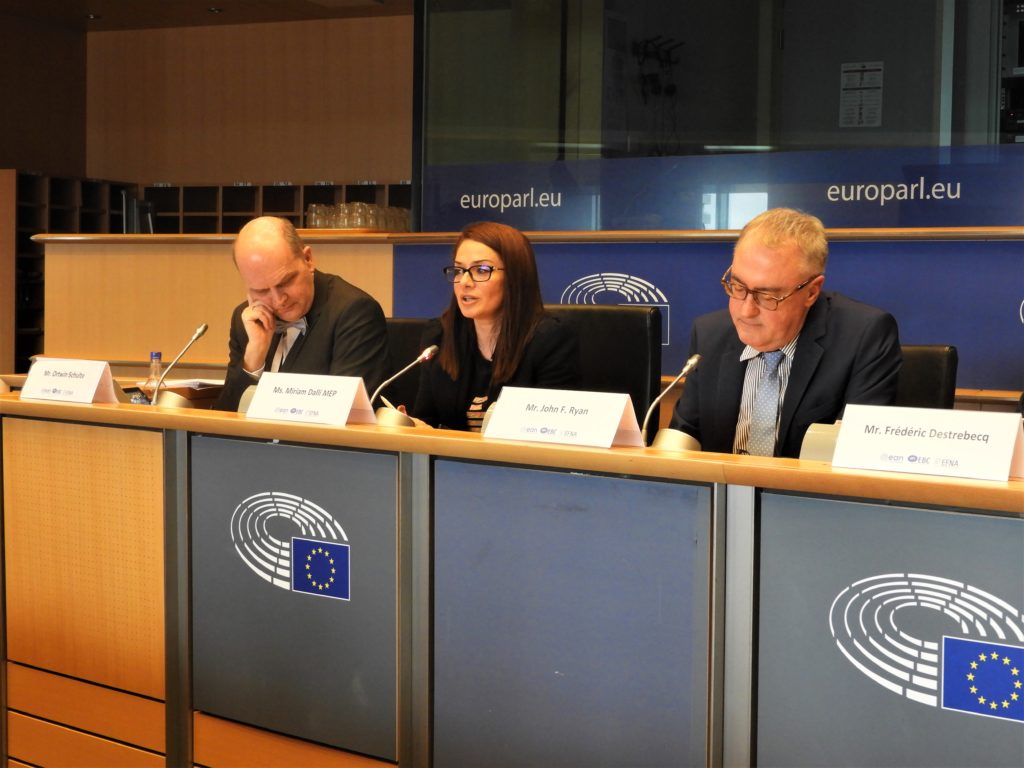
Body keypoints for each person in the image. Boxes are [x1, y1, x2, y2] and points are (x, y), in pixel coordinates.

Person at [670, 207, 901, 458]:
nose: (746, 311)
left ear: (811, 292)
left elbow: (855, 455)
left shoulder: (863, 337)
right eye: (738, 287)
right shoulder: (709, 334)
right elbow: (684, 437)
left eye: (767, 296)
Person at [409, 221, 581, 430]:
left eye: (481, 270)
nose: (464, 282)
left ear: (514, 277)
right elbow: (426, 420)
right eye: (459, 270)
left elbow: (551, 431)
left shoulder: (549, 340)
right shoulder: (440, 336)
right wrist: (411, 426)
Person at [214, 216, 391, 411]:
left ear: (308, 259)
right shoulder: (247, 320)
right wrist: (254, 358)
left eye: (285, 282)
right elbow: (225, 416)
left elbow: (345, 413)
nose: (278, 300)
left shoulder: (354, 312)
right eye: (261, 291)